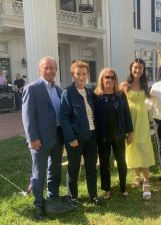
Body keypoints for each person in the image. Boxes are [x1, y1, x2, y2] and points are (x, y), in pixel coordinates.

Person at [22, 56, 75, 219]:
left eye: (52, 68)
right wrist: (33, 138)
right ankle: (38, 204)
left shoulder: (59, 90)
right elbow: (27, 116)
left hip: (57, 138)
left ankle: (53, 197)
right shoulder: (32, 88)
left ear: (56, 70)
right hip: (40, 140)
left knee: (55, 170)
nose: (50, 70)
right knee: (39, 173)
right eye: (46, 68)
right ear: (40, 70)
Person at [60, 61, 102, 205]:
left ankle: (93, 195)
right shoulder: (68, 93)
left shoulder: (90, 92)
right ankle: (73, 197)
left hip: (91, 136)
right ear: (73, 75)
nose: (82, 77)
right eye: (78, 74)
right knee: (73, 167)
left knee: (91, 167)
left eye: (84, 74)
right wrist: (70, 137)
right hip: (76, 138)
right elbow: (64, 117)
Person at [94, 68, 133, 199]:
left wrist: (130, 132)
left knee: (121, 162)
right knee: (104, 163)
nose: (109, 80)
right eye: (107, 77)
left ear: (115, 80)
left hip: (119, 135)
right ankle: (106, 189)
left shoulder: (121, 95)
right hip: (103, 137)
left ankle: (123, 187)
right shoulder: (96, 96)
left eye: (112, 77)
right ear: (102, 79)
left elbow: (127, 114)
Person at [120, 58, 155, 200]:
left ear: (143, 70)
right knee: (131, 147)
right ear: (131, 68)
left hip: (142, 122)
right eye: (135, 67)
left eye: (140, 68)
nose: (137, 70)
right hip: (129, 121)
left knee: (143, 148)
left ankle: (146, 181)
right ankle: (137, 175)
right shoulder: (124, 85)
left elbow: (151, 99)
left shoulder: (145, 84)